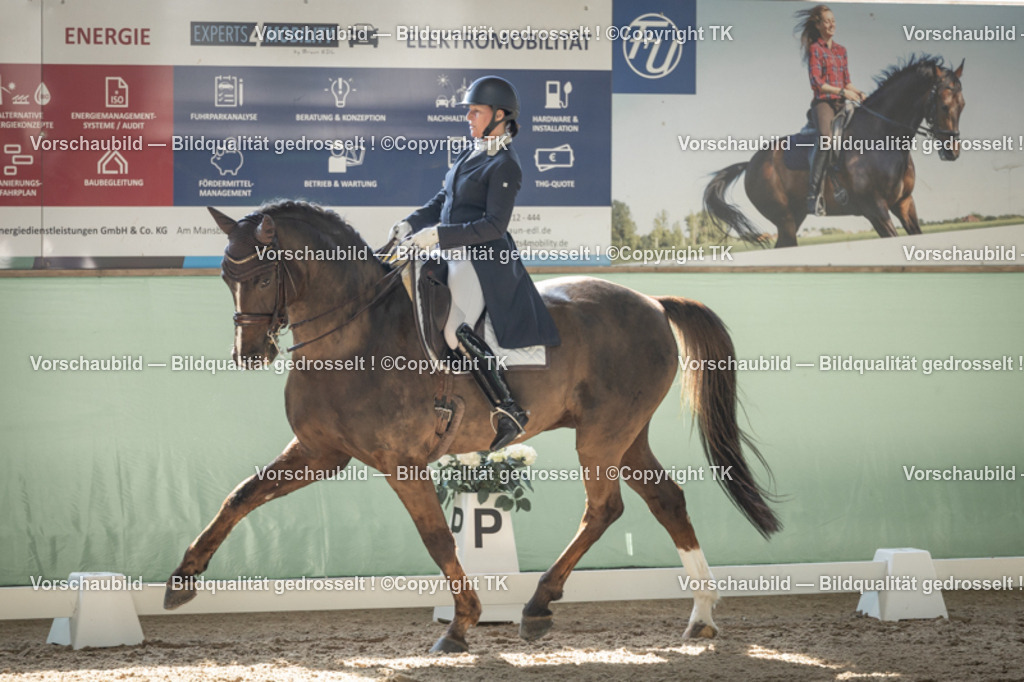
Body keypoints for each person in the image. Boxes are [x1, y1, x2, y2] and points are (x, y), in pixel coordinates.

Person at [387, 75, 560, 452]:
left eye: (475, 111)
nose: (468, 116)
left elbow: (494, 226)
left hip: (481, 260)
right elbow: (441, 201)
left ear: (500, 116)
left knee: (454, 331)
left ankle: (508, 408)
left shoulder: (505, 165)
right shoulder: (473, 152)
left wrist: (438, 236)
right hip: (450, 252)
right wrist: (412, 223)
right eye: (469, 111)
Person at [796, 4, 866, 216]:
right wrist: (843, 93)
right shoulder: (815, 49)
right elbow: (817, 82)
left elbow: (847, 82)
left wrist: (860, 93)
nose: (832, 24)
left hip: (841, 102)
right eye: (827, 21)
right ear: (818, 25)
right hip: (824, 104)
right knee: (826, 139)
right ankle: (812, 193)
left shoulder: (841, 50)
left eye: (833, 20)